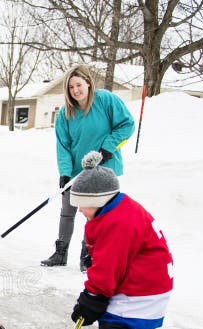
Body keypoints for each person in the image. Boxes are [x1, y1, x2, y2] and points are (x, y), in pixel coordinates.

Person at [68, 151, 173, 329]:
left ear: (99, 199)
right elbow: (106, 254)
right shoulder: (116, 209)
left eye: (83, 205)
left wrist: (92, 296)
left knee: (113, 319)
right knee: (110, 312)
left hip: (144, 285)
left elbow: (108, 268)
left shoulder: (118, 223)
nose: (81, 211)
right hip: (142, 277)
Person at [42, 64, 135, 271]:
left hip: (104, 168)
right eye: (71, 87)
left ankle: (87, 255)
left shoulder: (106, 100)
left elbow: (127, 124)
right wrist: (65, 173)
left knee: (94, 213)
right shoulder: (65, 114)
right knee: (67, 210)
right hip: (76, 171)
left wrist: (109, 147)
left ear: (88, 83)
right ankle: (61, 252)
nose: (75, 90)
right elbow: (63, 145)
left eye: (79, 84)